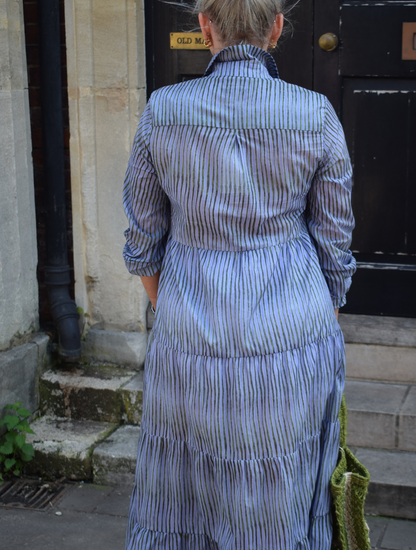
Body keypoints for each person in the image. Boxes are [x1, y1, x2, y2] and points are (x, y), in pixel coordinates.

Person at [122, 1, 356, 548]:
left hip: (189, 327)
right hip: (295, 328)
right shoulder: (314, 113)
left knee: (183, 490)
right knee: (283, 490)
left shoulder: (163, 110)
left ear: (204, 27)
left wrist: (177, 310)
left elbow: (143, 241)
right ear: (276, 28)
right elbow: (335, 244)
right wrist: (317, 319)